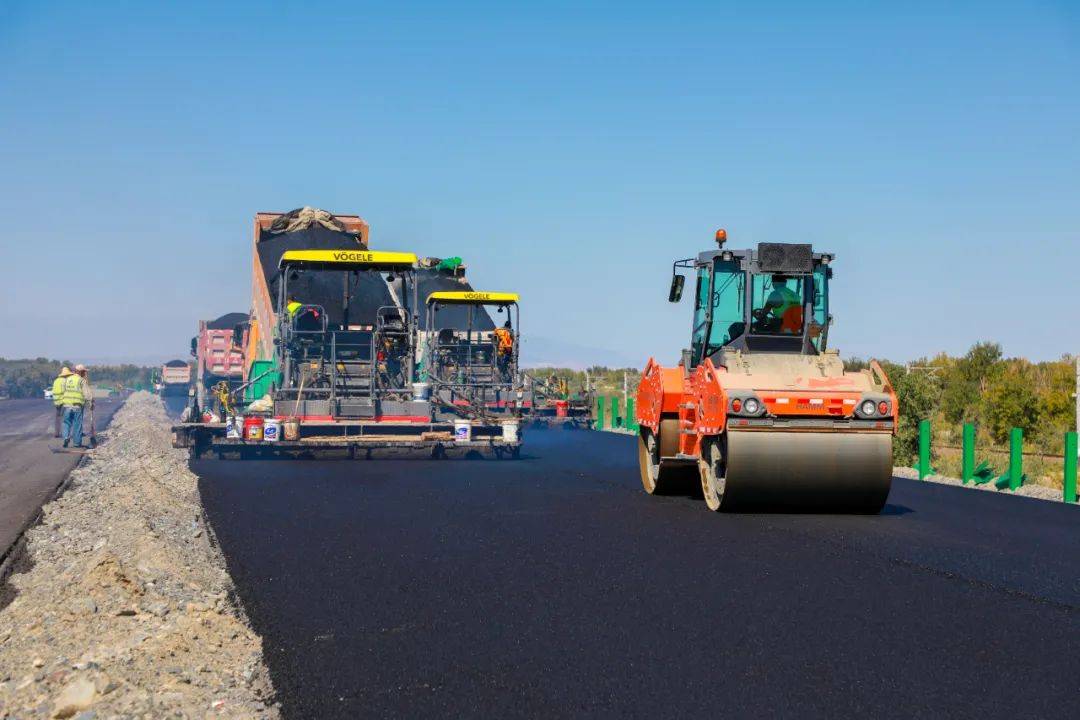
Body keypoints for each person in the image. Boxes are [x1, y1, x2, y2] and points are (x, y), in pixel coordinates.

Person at [61, 364, 92, 448]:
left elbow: (63, 391)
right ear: (81, 372)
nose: (85, 374)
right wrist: (91, 403)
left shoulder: (67, 379)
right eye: (84, 372)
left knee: (66, 423)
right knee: (77, 424)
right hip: (77, 406)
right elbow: (87, 394)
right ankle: (77, 443)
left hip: (67, 405)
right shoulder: (81, 380)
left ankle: (66, 437)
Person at [51, 367, 72, 438]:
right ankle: (65, 434)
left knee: (57, 418)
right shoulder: (65, 381)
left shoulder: (56, 381)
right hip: (63, 401)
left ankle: (56, 433)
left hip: (56, 402)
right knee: (65, 418)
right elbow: (67, 391)